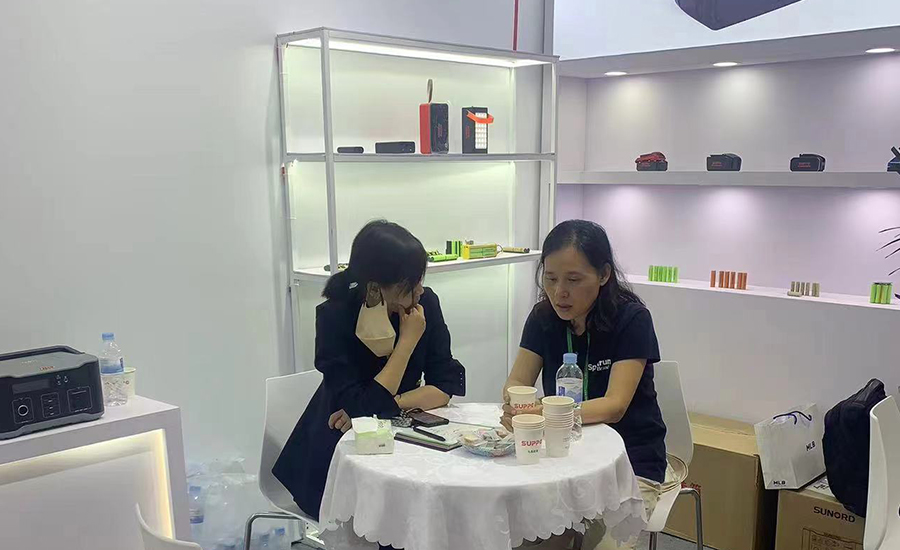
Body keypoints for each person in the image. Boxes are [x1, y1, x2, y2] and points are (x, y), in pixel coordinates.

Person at [273, 220, 466, 522]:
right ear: (375, 286)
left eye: (420, 278)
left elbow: (444, 385)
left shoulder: (424, 303)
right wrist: (407, 343)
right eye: (409, 283)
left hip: (400, 438)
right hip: (335, 455)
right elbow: (360, 405)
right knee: (390, 519)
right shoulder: (335, 317)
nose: (419, 289)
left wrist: (391, 404)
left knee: (431, 507)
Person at [501, 219, 666, 550]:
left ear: (603, 275)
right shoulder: (543, 317)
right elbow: (517, 381)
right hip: (560, 458)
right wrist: (516, 405)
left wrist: (546, 413)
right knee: (520, 539)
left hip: (629, 462)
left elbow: (615, 406)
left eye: (573, 280)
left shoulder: (631, 319)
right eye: (550, 278)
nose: (559, 292)